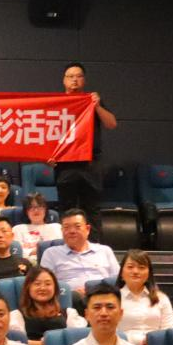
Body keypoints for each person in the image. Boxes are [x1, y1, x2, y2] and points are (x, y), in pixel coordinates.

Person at [53, 62, 117, 237]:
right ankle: (67, 244)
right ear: (64, 80)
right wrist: (49, 156)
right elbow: (47, 133)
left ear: (84, 80)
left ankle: (95, 246)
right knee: (66, 207)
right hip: (65, 164)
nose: (74, 80)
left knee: (92, 208)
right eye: (70, 76)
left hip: (90, 163)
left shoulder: (91, 100)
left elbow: (111, 124)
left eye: (78, 76)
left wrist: (97, 106)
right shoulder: (56, 102)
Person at [37, 209, 118, 297]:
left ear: (87, 229)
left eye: (77, 226)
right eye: (66, 227)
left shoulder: (105, 251)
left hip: (103, 296)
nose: (72, 231)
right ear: (62, 230)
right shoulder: (51, 253)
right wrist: (71, 293)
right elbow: (45, 284)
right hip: (71, 299)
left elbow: (117, 280)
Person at [8, 266, 86, 345]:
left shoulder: (68, 313)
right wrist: (43, 344)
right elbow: (15, 343)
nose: (42, 288)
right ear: (28, 288)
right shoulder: (17, 315)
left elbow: (79, 341)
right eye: (37, 284)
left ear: (55, 288)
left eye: (48, 284)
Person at [116, 250, 173, 345]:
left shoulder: (161, 298)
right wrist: (138, 343)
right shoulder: (114, 299)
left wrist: (152, 344)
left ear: (149, 274)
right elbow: (110, 331)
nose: (135, 271)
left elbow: (168, 330)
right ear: (121, 272)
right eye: (130, 267)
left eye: (141, 267)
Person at [11, 193, 62, 263]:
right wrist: (36, 251)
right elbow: (15, 252)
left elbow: (60, 250)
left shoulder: (56, 227)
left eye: (39, 207)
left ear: (45, 209)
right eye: (31, 207)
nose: (36, 210)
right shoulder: (18, 229)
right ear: (26, 211)